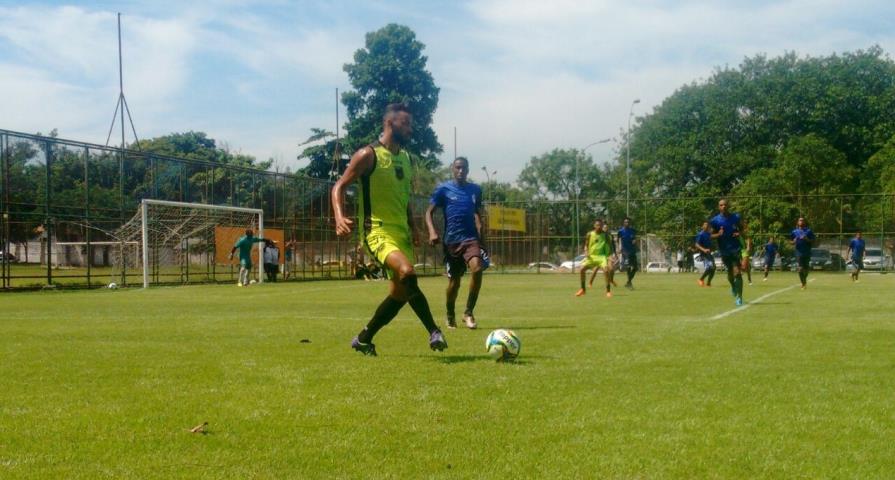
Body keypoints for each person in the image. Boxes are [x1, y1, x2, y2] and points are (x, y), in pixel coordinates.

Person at [331, 103, 447, 356]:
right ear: (389, 123)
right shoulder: (367, 155)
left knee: (400, 294)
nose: (410, 129)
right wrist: (339, 216)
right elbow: (339, 186)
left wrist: (414, 227)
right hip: (376, 231)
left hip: (401, 234)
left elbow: (403, 198)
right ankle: (434, 331)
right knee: (407, 273)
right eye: (406, 124)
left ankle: (363, 339)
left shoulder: (405, 159)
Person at [425, 156, 489, 330]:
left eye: (464, 168)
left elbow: (477, 212)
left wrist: (480, 231)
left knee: (477, 269)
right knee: (455, 283)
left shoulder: (475, 190)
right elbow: (428, 213)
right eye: (458, 168)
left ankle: (468, 313)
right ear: (453, 169)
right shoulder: (443, 189)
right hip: (452, 241)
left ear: (468, 170)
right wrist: (432, 231)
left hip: (471, 239)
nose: (461, 171)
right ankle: (450, 315)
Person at [710, 199, 745, 306]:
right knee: (730, 274)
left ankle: (739, 297)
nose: (723, 207)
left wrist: (739, 233)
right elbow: (710, 236)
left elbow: (743, 229)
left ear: (728, 206)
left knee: (737, 272)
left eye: (725, 205)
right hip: (724, 251)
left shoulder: (736, 217)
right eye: (721, 205)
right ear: (718, 207)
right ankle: (733, 286)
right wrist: (718, 235)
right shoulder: (715, 221)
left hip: (735, 249)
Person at [576, 219, 613, 298]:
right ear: (594, 226)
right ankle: (583, 289)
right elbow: (586, 245)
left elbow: (609, 246)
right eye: (597, 225)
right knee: (582, 269)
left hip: (601, 257)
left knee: (606, 271)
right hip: (592, 257)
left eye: (600, 225)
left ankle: (608, 291)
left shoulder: (605, 235)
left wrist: (610, 256)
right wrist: (586, 251)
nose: (599, 227)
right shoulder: (589, 234)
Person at [790, 216, 815, 290]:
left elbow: (813, 241)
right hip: (799, 252)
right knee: (800, 268)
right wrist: (793, 241)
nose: (801, 222)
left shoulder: (809, 231)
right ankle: (803, 284)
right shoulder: (794, 232)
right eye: (800, 220)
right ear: (798, 222)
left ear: (804, 222)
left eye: (802, 221)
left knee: (806, 269)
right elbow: (790, 241)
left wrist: (807, 239)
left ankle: (804, 280)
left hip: (807, 252)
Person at [592, 220, 618, 288]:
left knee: (611, 269)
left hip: (608, 254)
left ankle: (611, 280)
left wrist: (615, 254)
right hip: (600, 255)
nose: (606, 229)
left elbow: (613, 245)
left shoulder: (610, 235)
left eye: (607, 227)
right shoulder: (599, 235)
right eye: (604, 227)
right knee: (595, 269)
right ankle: (590, 282)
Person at [617, 217, 638, 289]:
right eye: (626, 222)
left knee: (635, 268)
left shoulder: (633, 230)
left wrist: (634, 241)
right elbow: (618, 240)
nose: (627, 223)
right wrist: (619, 248)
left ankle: (628, 282)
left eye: (628, 222)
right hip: (625, 251)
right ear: (623, 223)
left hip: (632, 251)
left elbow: (634, 238)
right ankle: (629, 283)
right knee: (628, 266)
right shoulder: (620, 231)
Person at [695, 221, 716, 287]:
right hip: (703, 254)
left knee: (713, 268)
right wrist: (704, 250)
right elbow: (696, 244)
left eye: (707, 225)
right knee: (710, 267)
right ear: (702, 226)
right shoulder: (700, 234)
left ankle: (708, 283)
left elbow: (712, 235)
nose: (706, 226)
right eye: (705, 225)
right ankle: (701, 279)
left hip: (709, 253)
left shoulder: (708, 234)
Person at [739, 219, 753, 285]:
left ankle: (749, 279)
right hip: (738, 250)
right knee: (745, 267)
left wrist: (748, 246)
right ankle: (739, 277)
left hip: (744, 250)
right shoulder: (737, 230)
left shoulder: (745, 232)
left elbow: (748, 239)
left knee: (745, 267)